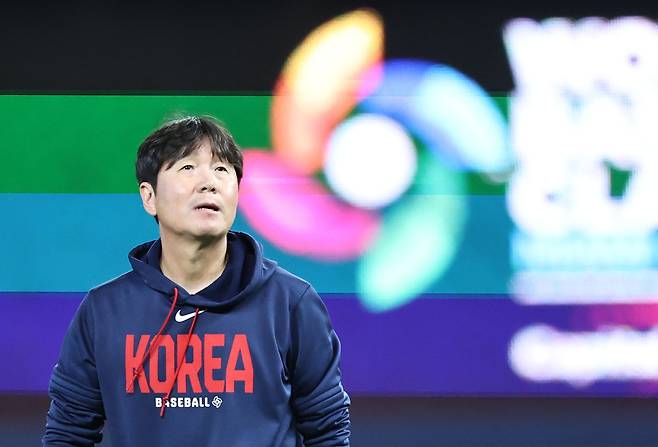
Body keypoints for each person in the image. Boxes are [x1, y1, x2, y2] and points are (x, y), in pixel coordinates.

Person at [43, 116, 351, 446]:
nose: (209, 183)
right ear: (149, 197)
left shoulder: (290, 302)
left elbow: (328, 431)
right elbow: (68, 433)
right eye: (188, 167)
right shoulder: (104, 310)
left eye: (221, 169)